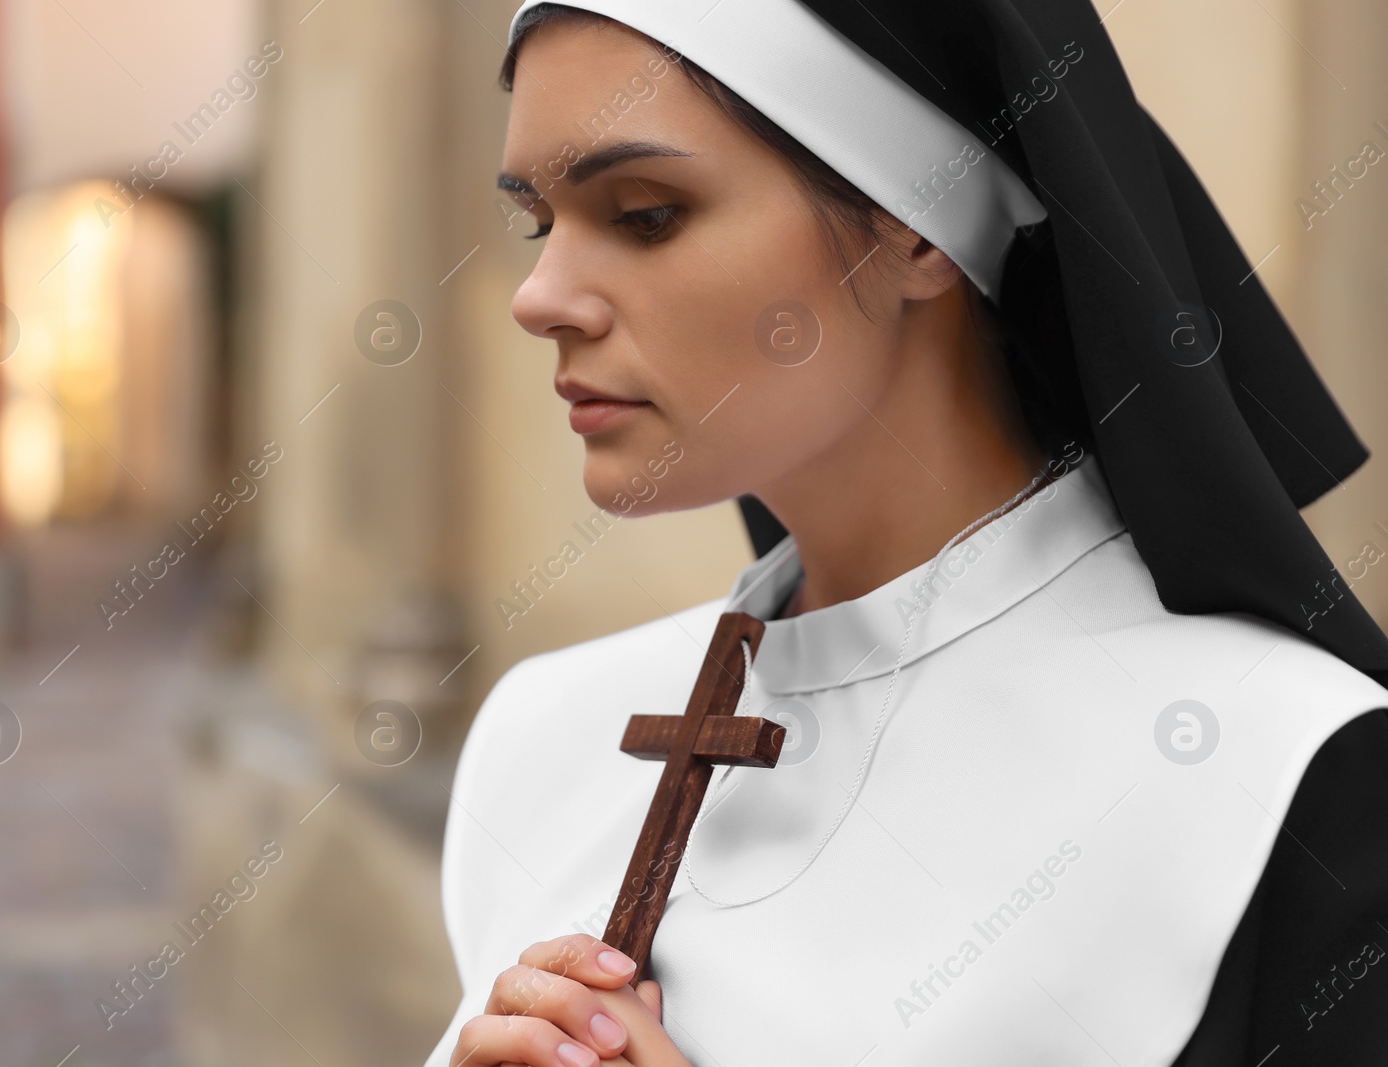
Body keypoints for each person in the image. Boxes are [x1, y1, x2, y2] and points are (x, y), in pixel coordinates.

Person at [426, 2, 1388, 1064]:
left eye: (646, 213)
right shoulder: (544, 736)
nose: (540, 296)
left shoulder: (1282, 773)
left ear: (916, 226)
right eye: (536, 222)